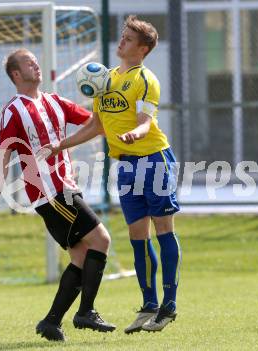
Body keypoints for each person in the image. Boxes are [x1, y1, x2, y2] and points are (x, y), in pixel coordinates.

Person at [39, 16, 182, 333]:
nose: (122, 42)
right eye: (122, 36)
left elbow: (146, 120)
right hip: (127, 166)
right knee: (137, 240)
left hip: (154, 159)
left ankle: (169, 306)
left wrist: (135, 133)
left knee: (163, 231)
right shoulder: (105, 79)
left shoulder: (146, 79)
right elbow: (96, 126)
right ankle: (149, 306)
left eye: (129, 39)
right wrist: (59, 145)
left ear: (142, 49)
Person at [0, 48, 116, 342]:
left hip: (66, 187)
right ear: (17, 75)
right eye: (28, 62)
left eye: (35, 60)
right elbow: (5, 149)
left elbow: (94, 123)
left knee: (82, 255)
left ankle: (51, 322)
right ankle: (86, 313)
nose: (36, 64)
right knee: (101, 240)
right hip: (50, 192)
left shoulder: (55, 101)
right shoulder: (14, 109)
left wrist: (105, 99)